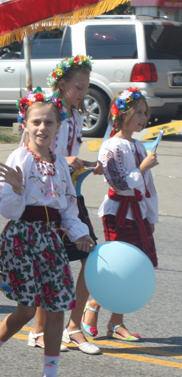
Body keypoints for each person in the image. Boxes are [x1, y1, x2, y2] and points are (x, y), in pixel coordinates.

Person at [0, 88, 95, 377]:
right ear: (24, 124)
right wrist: (15, 188)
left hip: (51, 241)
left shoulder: (60, 165)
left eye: (49, 122)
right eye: (36, 121)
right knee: (27, 309)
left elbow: (67, 207)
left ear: (58, 126)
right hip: (23, 239)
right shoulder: (20, 159)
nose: (42, 128)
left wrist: (80, 233)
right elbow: (8, 210)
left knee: (56, 309)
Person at [29, 55, 102, 355]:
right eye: (78, 87)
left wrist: (85, 164)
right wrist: (63, 161)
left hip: (71, 194)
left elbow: (68, 155)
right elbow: (32, 149)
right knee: (51, 264)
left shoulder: (76, 115)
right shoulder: (48, 110)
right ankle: (38, 331)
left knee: (91, 258)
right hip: (47, 197)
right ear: (62, 83)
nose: (83, 93)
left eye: (86, 88)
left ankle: (73, 327)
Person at [82, 87, 158, 340]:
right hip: (119, 213)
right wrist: (142, 168)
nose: (143, 117)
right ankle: (92, 307)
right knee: (118, 267)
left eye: (145, 112)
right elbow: (118, 183)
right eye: (138, 112)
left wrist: (151, 216)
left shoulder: (138, 144)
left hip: (138, 212)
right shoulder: (111, 146)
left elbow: (147, 188)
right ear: (122, 114)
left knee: (135, 268)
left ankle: (116, 323)